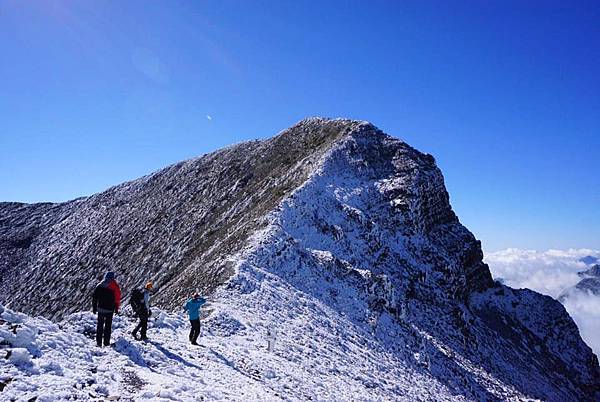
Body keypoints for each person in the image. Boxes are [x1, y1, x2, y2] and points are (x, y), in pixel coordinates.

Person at [92, 271, 121, 347]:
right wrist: (116, 308)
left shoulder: (100, 285)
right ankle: (106, 342)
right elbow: (117, 299)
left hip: (101, 308)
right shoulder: (115, 286)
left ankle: (98, 342)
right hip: (109, 310)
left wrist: (94, 308)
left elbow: (95, 297)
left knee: (100, 326)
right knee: (108, 326)